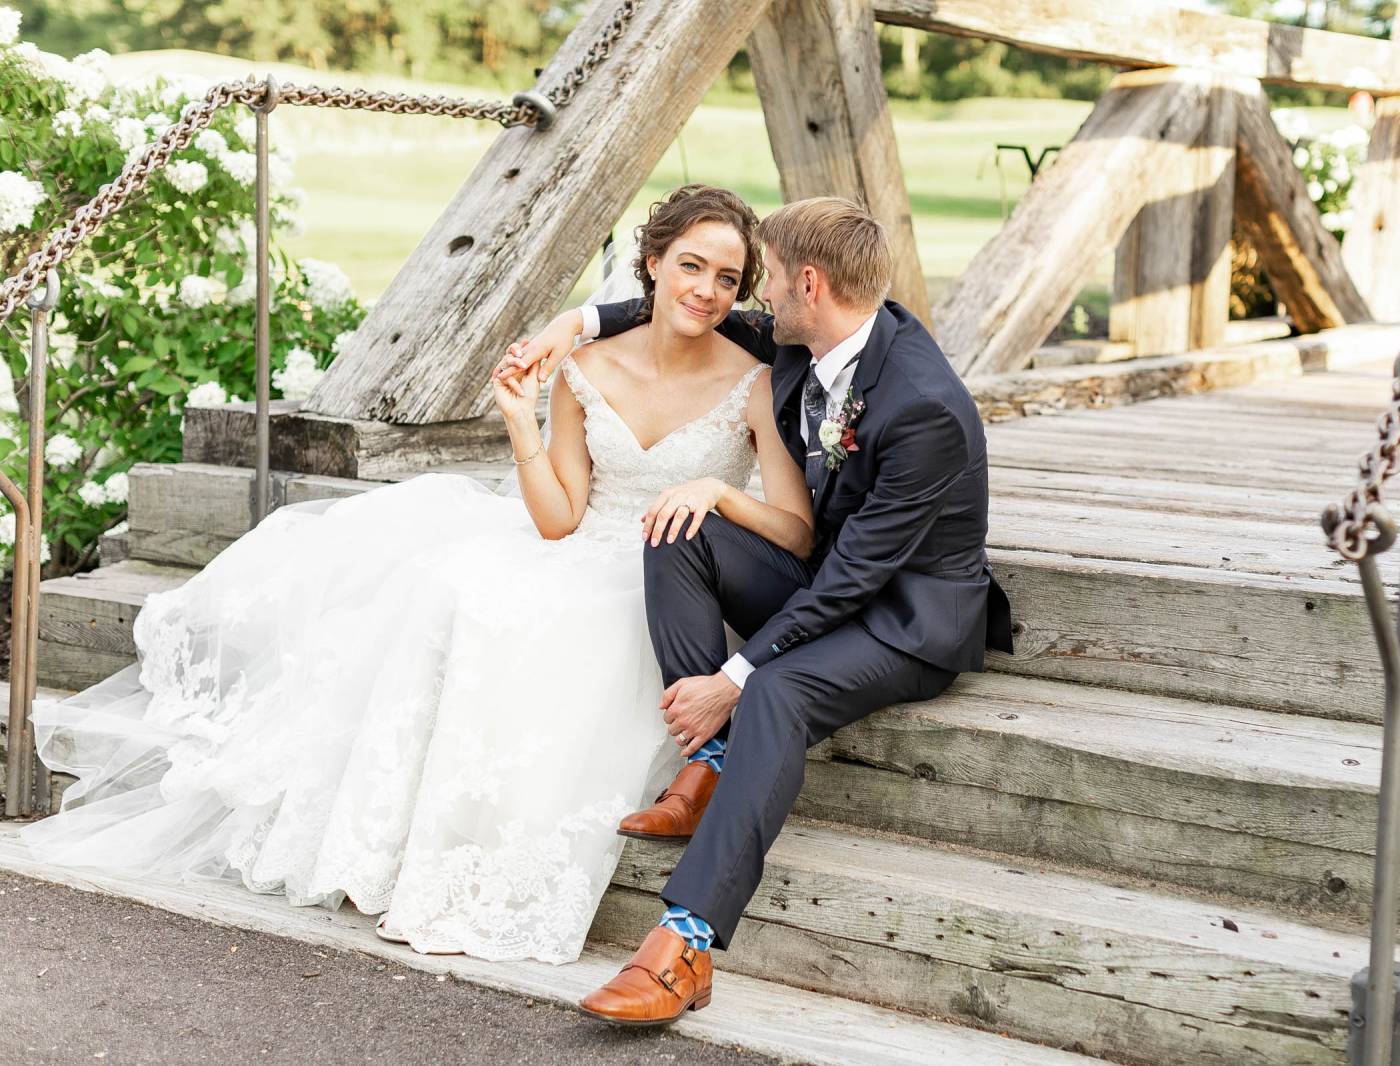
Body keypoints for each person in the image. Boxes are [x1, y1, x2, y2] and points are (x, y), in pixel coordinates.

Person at [21, 184, 814, 964]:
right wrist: (519, 422)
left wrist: (717, 495)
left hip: (671, 576)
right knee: (457, 592)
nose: (706, 290)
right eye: (690, 266)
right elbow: (559, 519)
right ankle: (394, 856)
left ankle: (483, 881)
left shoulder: (751, 382)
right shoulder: (584, 369)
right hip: (585, 545)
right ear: (653, 263)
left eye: (727, 278)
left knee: (558, 628)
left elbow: (795, 529)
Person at [499, 196, 1012, 1025]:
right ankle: (708, 766)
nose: (753, 298)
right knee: (677, 523)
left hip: (904, 619)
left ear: (808, 284)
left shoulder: (924, 407)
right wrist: (577, 321)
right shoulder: (821, 331)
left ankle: (685, 944)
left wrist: (731, 677)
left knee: (776, 690)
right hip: (826, 578)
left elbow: (854, 582)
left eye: (765, 278)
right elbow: (684, 306)